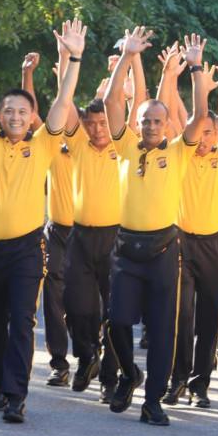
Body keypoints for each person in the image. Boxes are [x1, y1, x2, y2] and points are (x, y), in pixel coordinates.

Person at [0, 13, 85, 423]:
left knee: (22, 321)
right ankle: (0, 382)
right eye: (8, 111)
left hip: (28, 249)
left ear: (32, 116)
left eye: (22, 111)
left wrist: (74, 60)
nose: (15, 117)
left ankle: (16, 395)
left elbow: (63, 103)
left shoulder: (45, 143)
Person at [103, 29, 206, 427]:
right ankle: (130, 374)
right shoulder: (125, 145)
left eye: (157, 120)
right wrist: (128, 56)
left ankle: (153, 402)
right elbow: (113, 100)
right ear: (138, 122)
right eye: (145, 119)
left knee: (163, 330)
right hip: (127, 250)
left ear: (167, 125)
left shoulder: (179, 151)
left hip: (164, 251)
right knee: (117, 320)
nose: (150, 125)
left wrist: (195, 69)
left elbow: (198, 117)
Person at [164, 61, 218, 409]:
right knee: (182, 313)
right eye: (199, 131)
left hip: (217, 245)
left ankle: (200, 383)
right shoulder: (184, 153)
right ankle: (177, 379)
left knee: (209, 316)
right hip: (181, 243)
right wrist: (182, 76)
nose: (203, 139)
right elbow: (177, 112)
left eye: (209, 132)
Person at [21, 49, 75, 389]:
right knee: (53, 298)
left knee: (88, 304)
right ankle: (59, 361)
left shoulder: (100, 146)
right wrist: (27, 74)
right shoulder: (54, 145)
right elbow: (34, 114)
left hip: (92, 234)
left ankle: (92, 351)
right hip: (56, 231)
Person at [63, 98, 123, 403]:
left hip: (116, 238)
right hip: (81, 237)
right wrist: (66, 59)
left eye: (103, 123)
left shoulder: (123, 147)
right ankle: (87, 357)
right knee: (75, 306)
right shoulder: (78, 145)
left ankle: (110, 379)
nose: (98, 130)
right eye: (92, 123)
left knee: (115, 312)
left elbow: (127, 105)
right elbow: (64, 103)